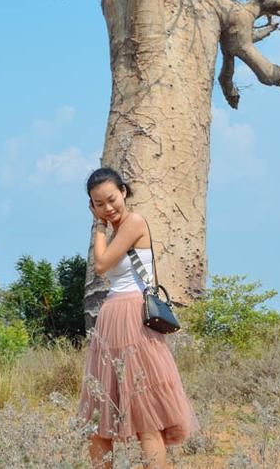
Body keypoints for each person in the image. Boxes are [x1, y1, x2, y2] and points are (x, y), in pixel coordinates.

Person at [78, 167, 197, 469]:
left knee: (146, 414)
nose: (107, 208)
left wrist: (98, 228)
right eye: (98, 204)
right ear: (92, 206)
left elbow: (102, 264)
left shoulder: (133, 222)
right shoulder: (118, 230)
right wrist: (104, 228)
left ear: (124, 193)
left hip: (132, 316)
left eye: (111, 199)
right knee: (100, 413)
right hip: (111, 318)